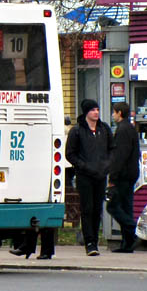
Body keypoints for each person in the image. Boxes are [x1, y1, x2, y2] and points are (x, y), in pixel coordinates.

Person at [65, 98, 113, 255]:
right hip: (84, 176)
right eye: (93, 110)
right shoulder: (77, 131)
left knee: (97, 208)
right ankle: (89, 242)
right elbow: (70, 154)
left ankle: (95, 239)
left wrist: (106, 166)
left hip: (100, 175)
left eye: (97, 109)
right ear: (86, 112)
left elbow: (112, 150)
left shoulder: (104, 129)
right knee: (87, 208)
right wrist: (83, 166)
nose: (96, 112)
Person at [106, 102, 140, 253]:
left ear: (119, 113)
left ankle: (132, 229)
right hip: (131, 173)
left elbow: (120, 156)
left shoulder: (122, 130)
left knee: (112, 206)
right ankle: (128, 243)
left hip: (123, 175)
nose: (113, 115)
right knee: (126, 207)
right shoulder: (131, 128)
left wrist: (112, 177)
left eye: (114, 112)